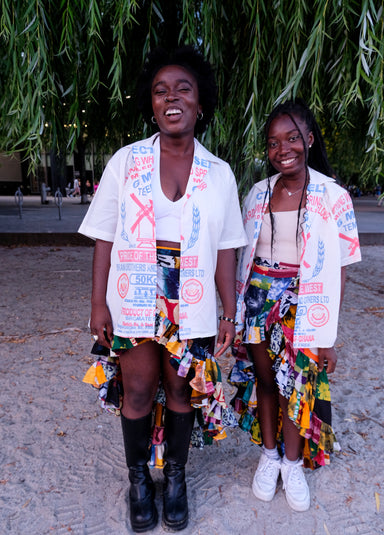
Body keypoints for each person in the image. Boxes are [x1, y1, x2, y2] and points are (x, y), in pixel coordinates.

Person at [78, 46, 247, 533]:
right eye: (160, 90)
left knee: (180, 386)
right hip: (134, 286)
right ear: (151, 104)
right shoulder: (126, 162)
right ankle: (138, 481)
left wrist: (229, 313)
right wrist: (96, 304)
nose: (171, 97)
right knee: (137, 388)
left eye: (183, 89)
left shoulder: (219, 173)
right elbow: (105, 235)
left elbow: (226, 250)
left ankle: (174, 478)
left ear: (199, 103)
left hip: (191, 289)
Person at [229, 98, 361, 512]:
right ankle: (268, 457)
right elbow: (239, 256)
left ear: (309, 138)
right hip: (257, 301)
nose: (282, 148)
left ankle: (292, 463)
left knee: (295, 387)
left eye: (291, 138)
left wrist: (328, 336)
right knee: (266, 383)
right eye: (272, 142)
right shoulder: (256, 193)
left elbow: (340, 269)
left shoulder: (333, 196)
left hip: (303, 303)